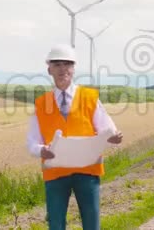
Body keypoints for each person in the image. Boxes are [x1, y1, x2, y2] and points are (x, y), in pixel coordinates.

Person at [26, 44, 123, 230]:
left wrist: (113, 138)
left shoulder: (90, 98)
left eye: (67, 64)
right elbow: (31, 142)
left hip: (88, 171)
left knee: (91, 224)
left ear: (74, 68)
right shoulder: (41, 104)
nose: (63, 69)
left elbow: (108, 129)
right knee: (56, 225)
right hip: (55, 172)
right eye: (57, 64)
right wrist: (42, 150)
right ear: (49, 69)